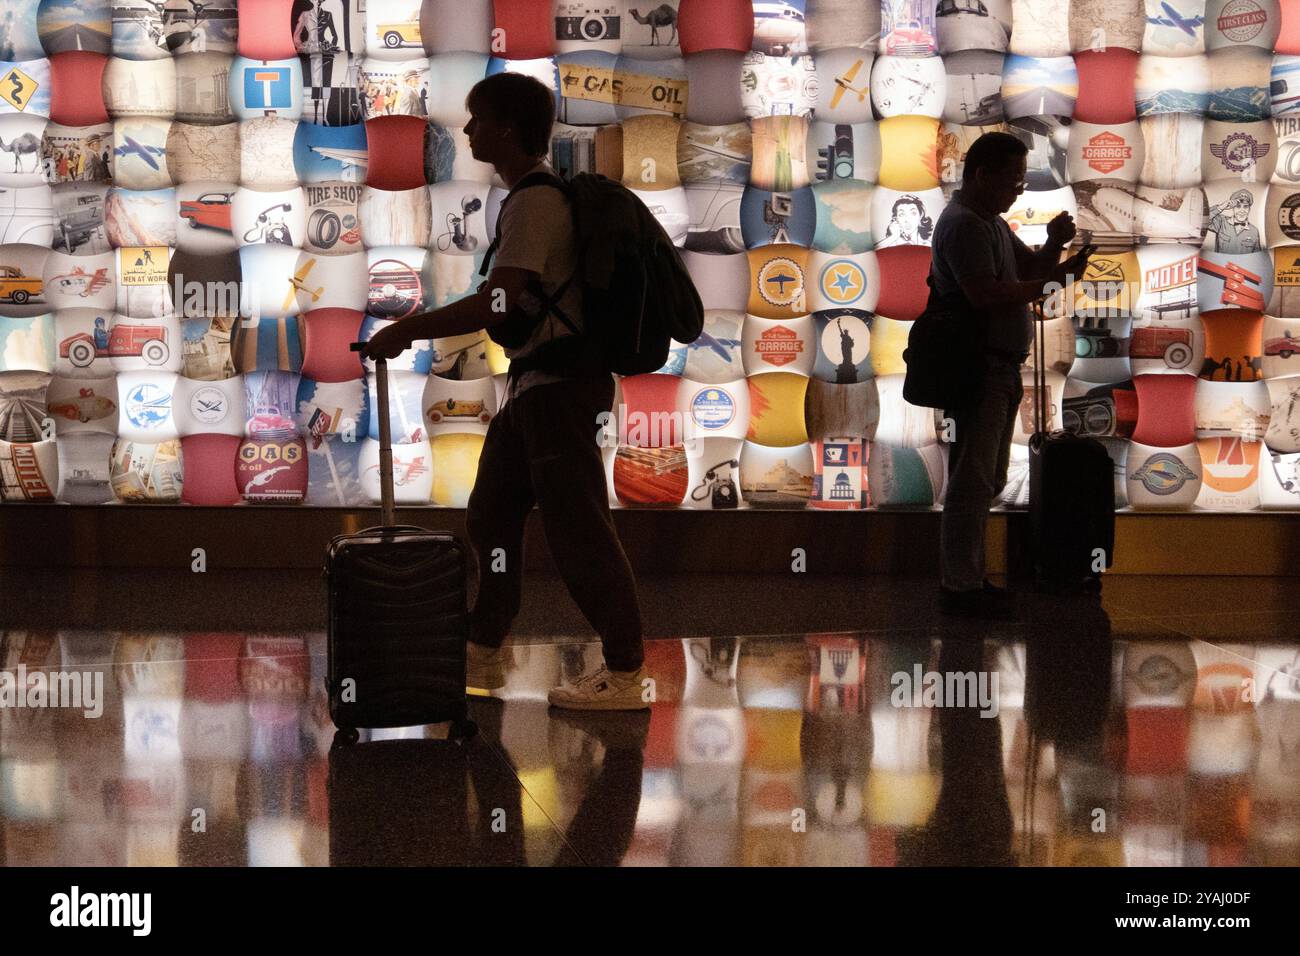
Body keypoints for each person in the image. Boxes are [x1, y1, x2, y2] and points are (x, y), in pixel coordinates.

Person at [361, 72, 648, 710]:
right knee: (491, 514)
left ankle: (625, 671)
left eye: (478, 120)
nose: (467, 131)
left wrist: (410, 328)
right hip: (534, 391)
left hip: (559, 394)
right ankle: (483, 648)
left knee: (580, 531)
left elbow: (500, 299)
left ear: (509, 129)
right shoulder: (528, 197)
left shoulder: (536, 202)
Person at [930, 131, 1092, 617]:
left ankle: (968, 578)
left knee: (986, 476)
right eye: (1014, 181)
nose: (1018, 190)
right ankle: (960, 586)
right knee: (973, 478)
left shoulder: (989, 222)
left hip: (995, 366)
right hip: (977, 367)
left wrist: (1056, 248)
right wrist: (1051, 279)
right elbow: (987, 293)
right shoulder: (965, 225)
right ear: (983, 175)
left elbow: (1030, 270)